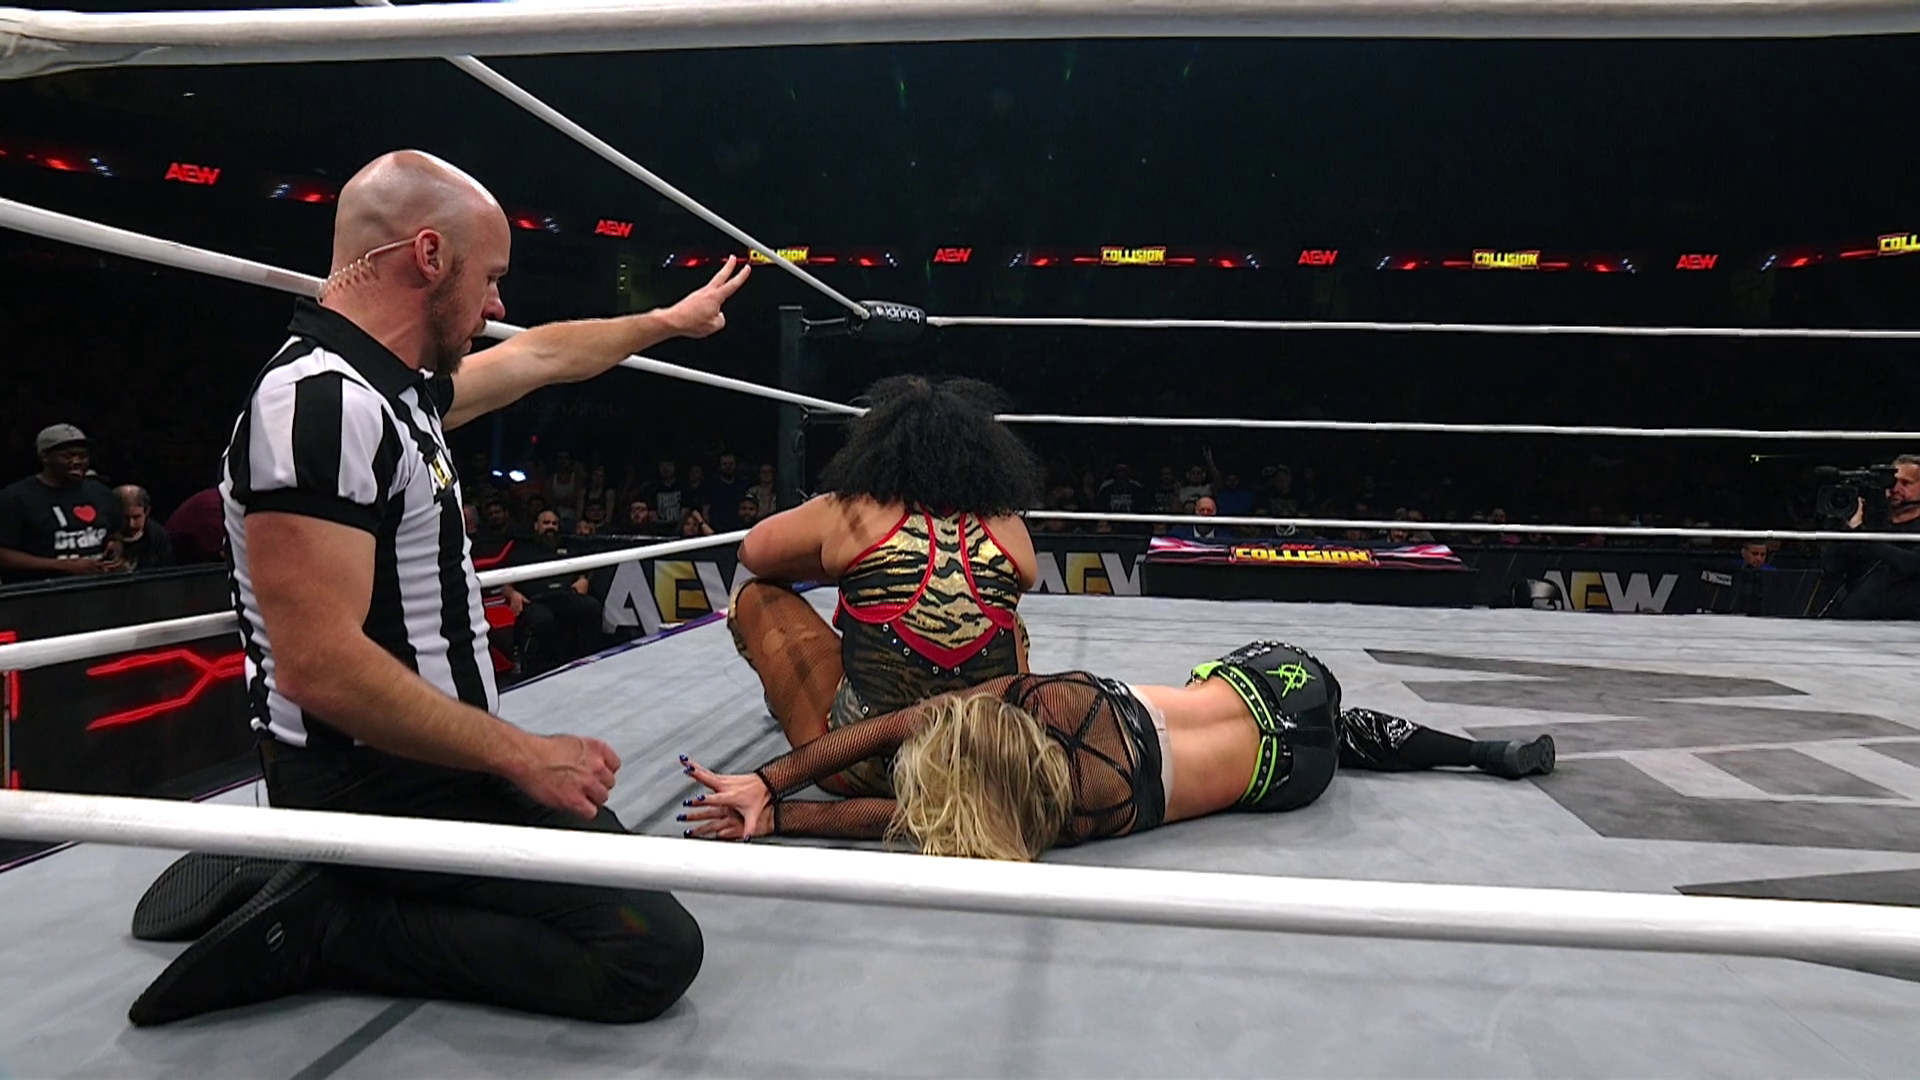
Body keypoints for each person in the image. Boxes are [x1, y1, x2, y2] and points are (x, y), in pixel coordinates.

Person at [126, 149, 747, 1027]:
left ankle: (339, 879)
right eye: (489, 277)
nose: (496, 305)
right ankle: (328, 926)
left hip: (440, 763)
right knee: (647, 953)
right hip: (371, 780)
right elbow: (317, 666)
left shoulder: (393, 393)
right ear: (428, 255)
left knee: (622, 877)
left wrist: (667, 322)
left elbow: (540, 355)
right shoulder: (317, 406)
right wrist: (522, 754)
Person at [680, 641, 1555, 858]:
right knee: (1337, 715)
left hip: (1293, 778)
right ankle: (1476, 753)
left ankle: (1455, 750)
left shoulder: (1059, 816)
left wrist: (780, 812)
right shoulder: (1046, 696)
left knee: (1340, 742)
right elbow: (905, 721)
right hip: (1287, 679)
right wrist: (769, 780)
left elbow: (896, 817)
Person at [728, 375, 1041, 796]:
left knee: (755, 595)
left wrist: (847, 565)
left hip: (859, 764)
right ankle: (1000, 736)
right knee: (1009, 623)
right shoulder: (1007, 526)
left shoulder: (854, 509)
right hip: (984, 764)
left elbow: (752, 551)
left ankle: (790, 699)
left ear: (879, 448)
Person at [0, 424, 123, 584]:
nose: (77, 461)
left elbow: (115, 532)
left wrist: (115, 547)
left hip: (97, 588)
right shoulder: (15, 498)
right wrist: (63, 566)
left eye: (82, 456)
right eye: (68, 456)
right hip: (40, 593)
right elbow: (3, 555)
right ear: (45, 456)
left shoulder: (101, 493)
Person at [500, 510, 605, 674]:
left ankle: (588, 660)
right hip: (535, 600)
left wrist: (583, 580)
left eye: (554, 524)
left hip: (565, 595)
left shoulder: (567, 547)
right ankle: (543, 668)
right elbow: (505, 585)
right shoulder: (522, 551)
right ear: (536, 526)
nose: (551, 527)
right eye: (546, 523)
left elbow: (581, 573)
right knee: (543, 620)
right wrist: (513, 594)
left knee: (592, 607)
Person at [1822, 454, 1920, 620]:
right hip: (1855, 621)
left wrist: (1860, 535)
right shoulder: (1871, 519)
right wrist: (1840, 524)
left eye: (1905, 483)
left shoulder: (1863, 528)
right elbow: (1832, 565)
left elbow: (1911, 563)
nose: (1895, 488)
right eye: (1891, 482)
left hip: (1907, 623)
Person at [114, 484, 174, 571]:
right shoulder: (104, 533)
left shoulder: (158, 537)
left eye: (136, 517)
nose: (131, 524)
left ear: (147, 511)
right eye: (125, 518)